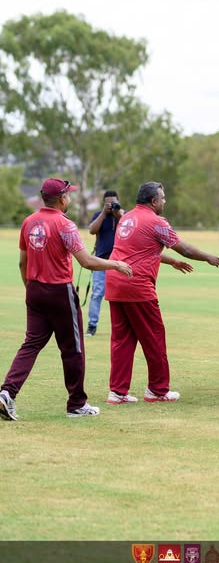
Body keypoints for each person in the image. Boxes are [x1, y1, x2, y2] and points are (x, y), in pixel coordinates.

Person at [0, 178, 132, 422]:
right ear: (61, 199)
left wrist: (31, 288)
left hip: (34, 290)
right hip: (59, 291)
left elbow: (22, 262)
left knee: (30, 345)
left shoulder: (28, 222)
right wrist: (116, 264)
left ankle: (6, 392)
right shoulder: (64, 224)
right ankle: (76, 404)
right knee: (73, 349)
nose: (69, 199)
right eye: (68, 196)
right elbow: (87, 261)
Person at [104, 181, 219, 405]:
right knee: (154, 338)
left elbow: (140, 250)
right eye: (163, 198)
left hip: (115, 281)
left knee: (122, 340)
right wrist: (207, 256)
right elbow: (185, 248)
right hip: (137, 286)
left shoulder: (127, 217)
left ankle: (117, 392)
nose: (164, 201)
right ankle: (158, 390)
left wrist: (172, 262)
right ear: (154, 201)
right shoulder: (157, 222)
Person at [85, 189, 125, 336]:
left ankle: (122, 326)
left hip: (120, 263)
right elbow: (92, 230)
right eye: (108, 203)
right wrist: (103, 213)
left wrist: (117, 213)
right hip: (101, 261)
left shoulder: (124, 215)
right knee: (97, 294)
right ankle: (92, 325)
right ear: (103, 203)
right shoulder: (99, 215)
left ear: (118, 201)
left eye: (113, 202)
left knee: (122, 295)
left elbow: (128, 226)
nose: (111, 205)